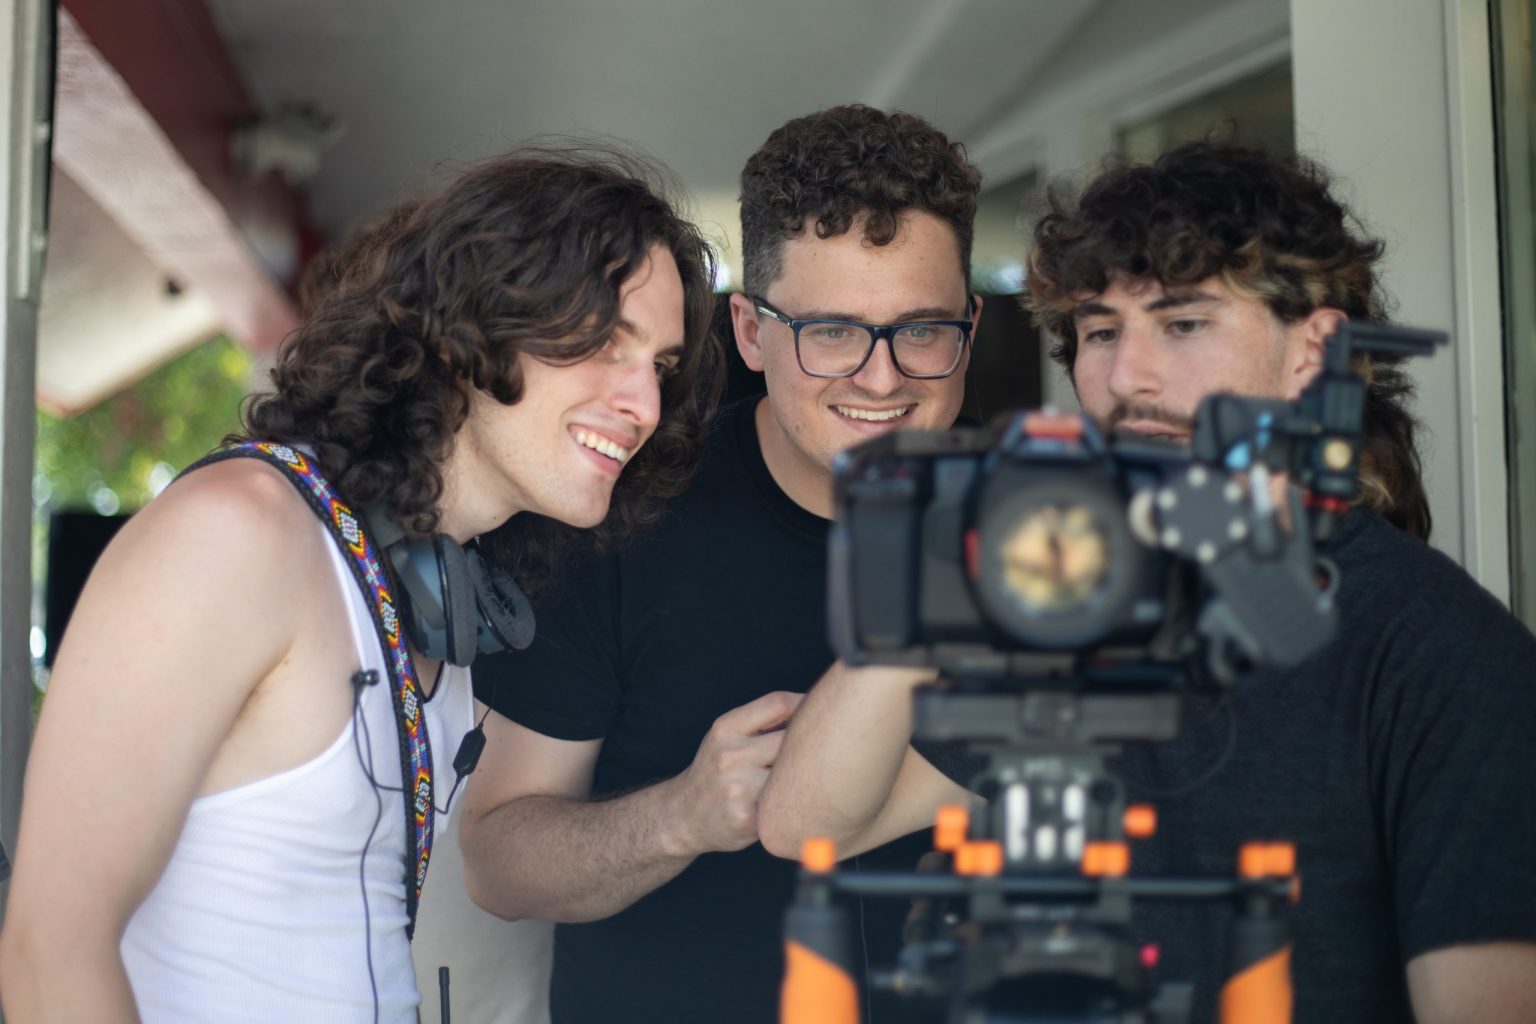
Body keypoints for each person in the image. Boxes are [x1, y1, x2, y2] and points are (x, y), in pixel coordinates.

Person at [757, 141, 1536, 1024]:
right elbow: (807, 826)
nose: (1127, 377)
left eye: (1184, 324)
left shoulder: (1447, 660)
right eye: (1101, 333)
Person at [0, 145, 721, 1023]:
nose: (645, 404)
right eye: (607, 342)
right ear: (475, 318)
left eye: (661, 367)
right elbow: (50, 948)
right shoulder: (238, 534)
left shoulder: (430, 604)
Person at [458, 104, 984, 1024]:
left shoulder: (1041, 530)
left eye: (922, 330)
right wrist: (682, 817)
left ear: (970, 328)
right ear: (749, 331)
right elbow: (497, 863)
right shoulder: (617, 517)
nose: (882, 377)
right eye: (831, 331)